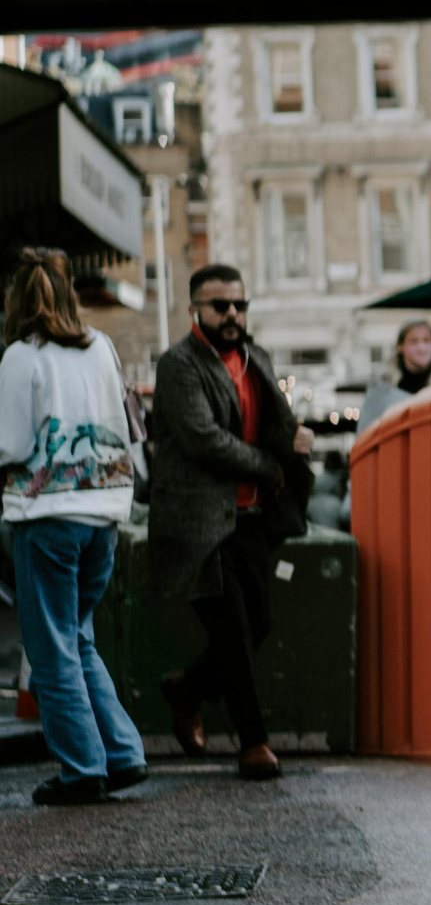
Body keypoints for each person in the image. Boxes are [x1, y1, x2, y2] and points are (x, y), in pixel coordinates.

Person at [150, 264, 313, 782]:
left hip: (252, 517)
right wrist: (271, 464)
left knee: (258, 623)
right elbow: (202, 439)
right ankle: (254, 744)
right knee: (234, 631)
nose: (232, 315)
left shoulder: (255, 358)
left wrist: (294, 444)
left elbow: (272, 426)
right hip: (200, 521)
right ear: (196, 308)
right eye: (220, 306)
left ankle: (187, 689)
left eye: (239, 305)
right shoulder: (179, 365)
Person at [0, 248, 147, 806]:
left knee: (51, 647)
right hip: (103, 515)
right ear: (69, 294)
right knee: (78, 637)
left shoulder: (22, 356)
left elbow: (10, 443)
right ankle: (122, 751)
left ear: (18, 298)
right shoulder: (101, 348)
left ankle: (82, 768)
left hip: (48, 517)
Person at [356, 320, 431, 431]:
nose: (421, 348)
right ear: (400, 347)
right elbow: (365, 433)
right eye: (414, 342)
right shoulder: (382, 388)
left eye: (427, 341)